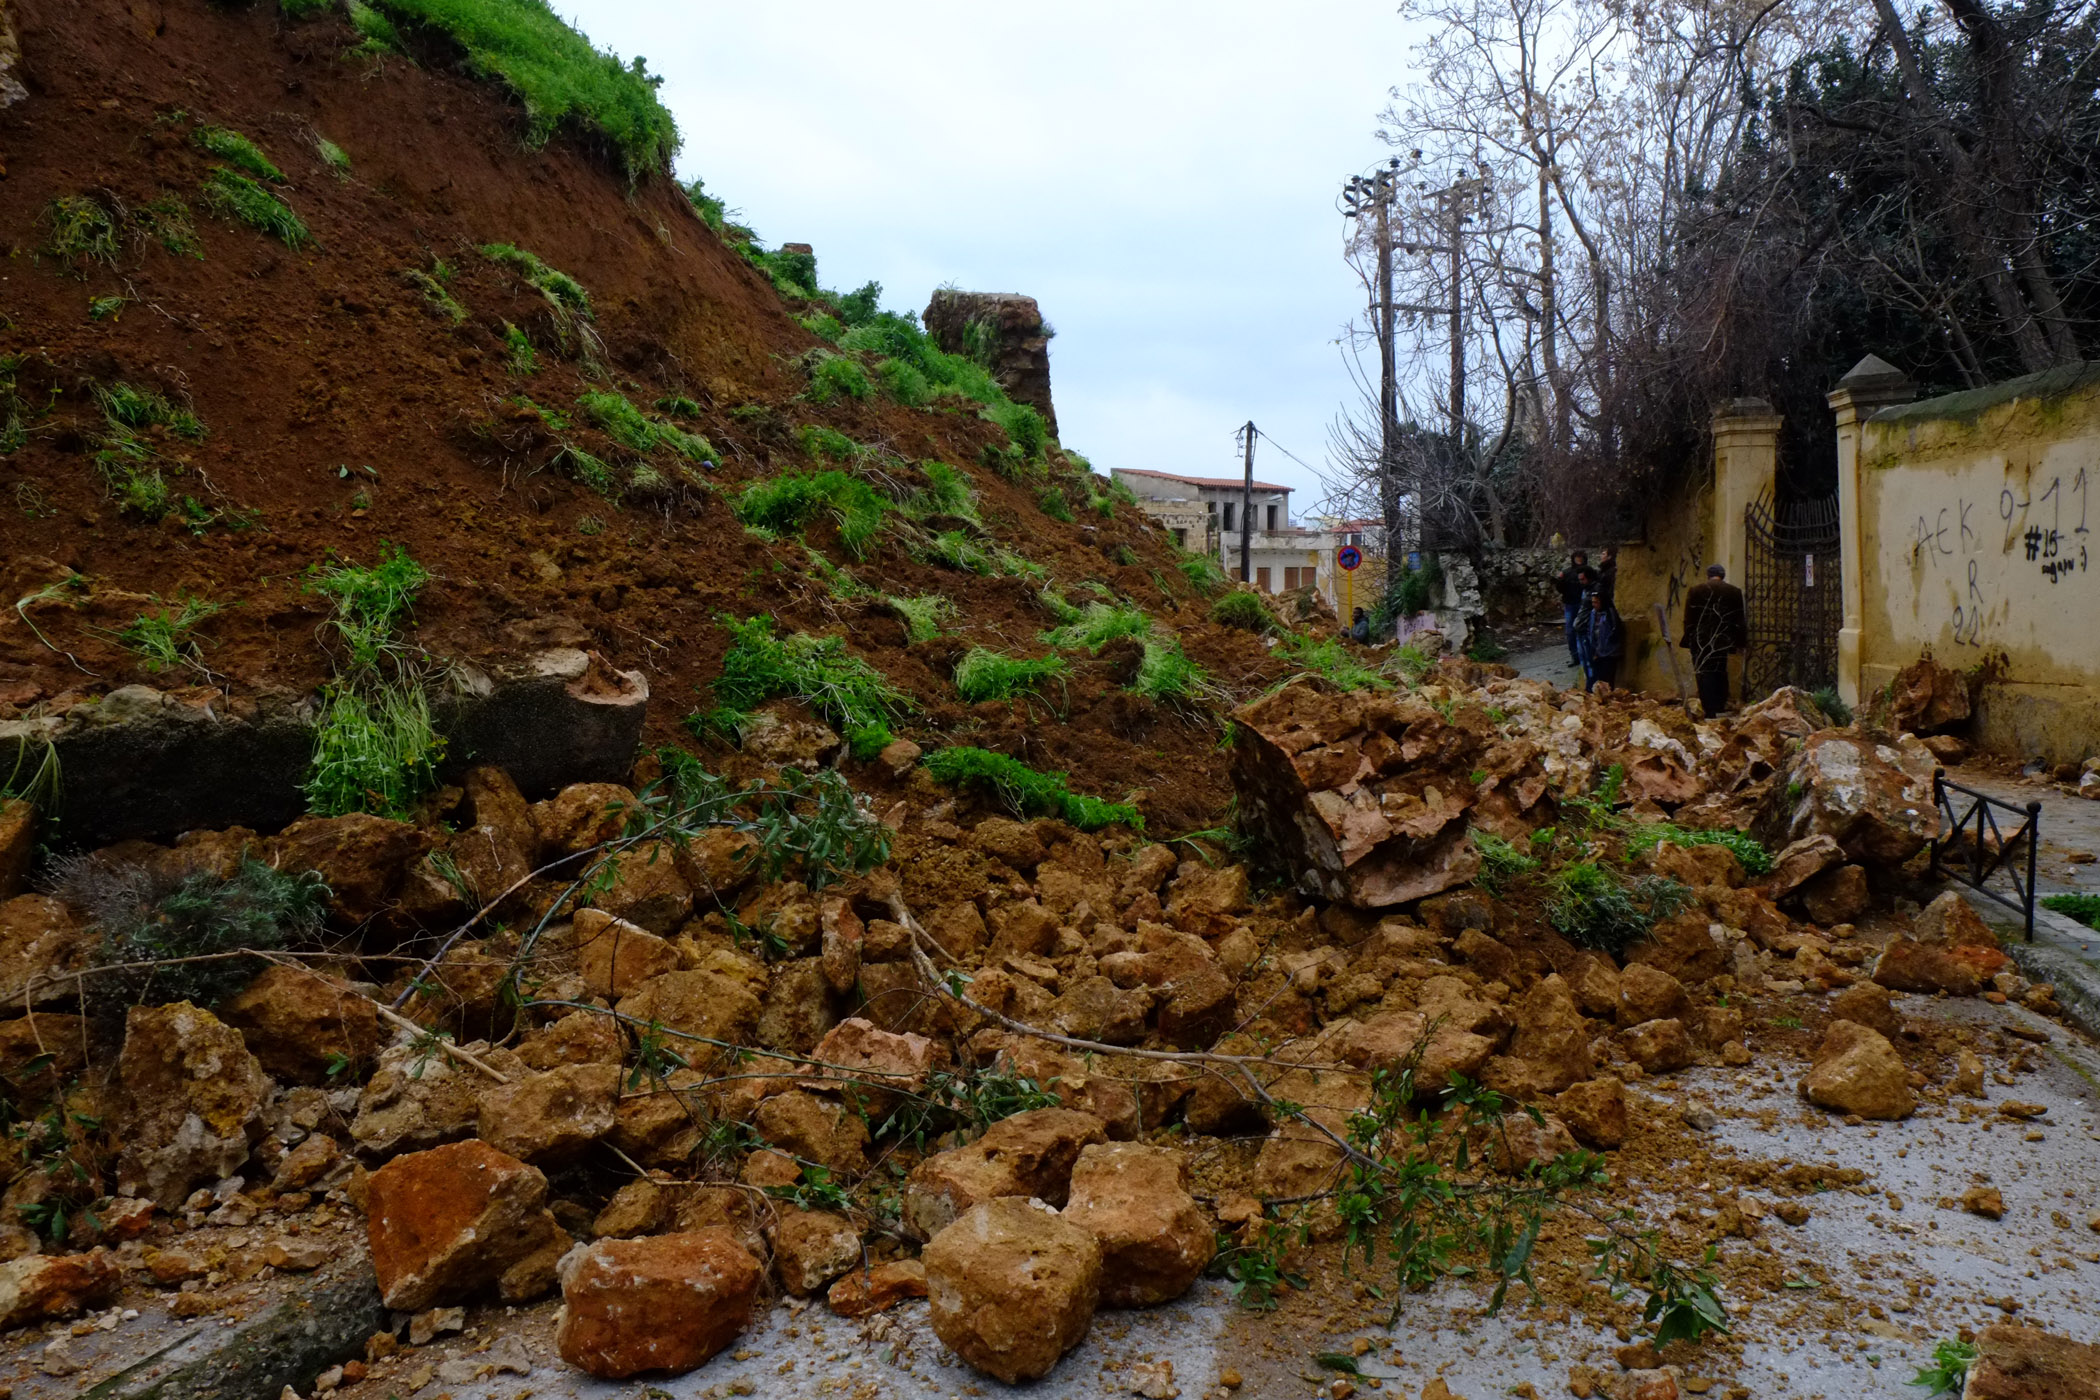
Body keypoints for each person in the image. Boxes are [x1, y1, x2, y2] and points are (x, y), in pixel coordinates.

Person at [1680, 563, 1749, 715]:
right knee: (1720, 671)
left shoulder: (1695, 591)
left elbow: (1689, 618)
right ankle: (1719, 704)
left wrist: (1689, 638)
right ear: (1723, 575)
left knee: (1704, 673)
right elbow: (1739, 619)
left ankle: (1708, 707)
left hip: (1701, 640)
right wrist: (1740, 642)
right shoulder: (1734, 592)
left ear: (1708, 575)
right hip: (1722, 639)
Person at [1555, 549, 1591, 669]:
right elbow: (1560, 588)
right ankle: (1575, 656)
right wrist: (1560, 580)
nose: (1579, 560)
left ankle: (1585, 655)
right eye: (1577, 557)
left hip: (1584, 604)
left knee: (1585, 630)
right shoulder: (1567, 572)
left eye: (1581, 557)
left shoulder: (1589, 572)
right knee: (1571, 631)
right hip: (1570, 603)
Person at [1584, 589, 1624, 691]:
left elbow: (1615, 633)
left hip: (1609, 653)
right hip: (1597, 652)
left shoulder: (1610, 614)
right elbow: (1591, 630)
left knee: (1607, 680)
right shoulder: (1593, 613)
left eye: (1596, 602)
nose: (1594, 605)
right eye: (1593, 602)